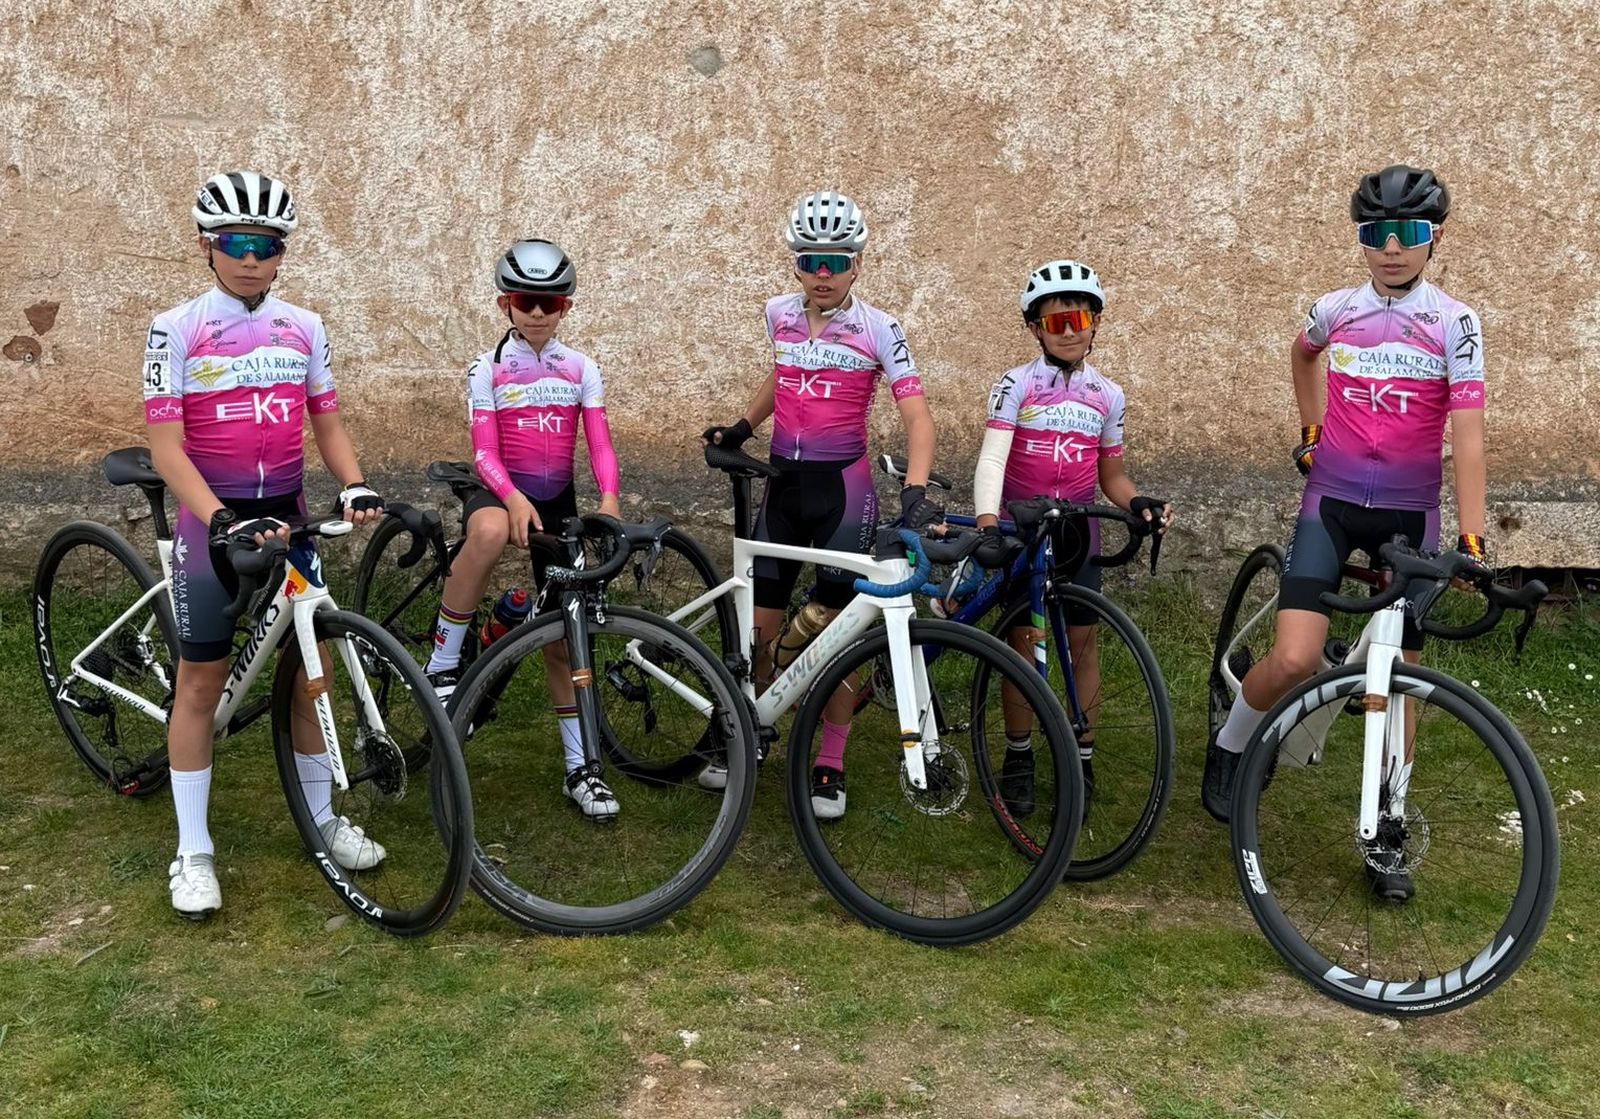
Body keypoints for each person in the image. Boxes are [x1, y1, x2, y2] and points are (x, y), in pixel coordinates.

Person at [1202, 164, 1488, 901]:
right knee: (1295, 659)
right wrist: (1310, 429)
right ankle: (1232, 743)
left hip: (1410, 513)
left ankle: (1387, 827)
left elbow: (1470, 432)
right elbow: (1303, 354)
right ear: (1362, 239)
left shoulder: (1455, 322)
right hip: (1330, 501)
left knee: (1399, 687)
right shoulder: (1335, 308)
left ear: (1434, 239)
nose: (1392, 249)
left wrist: (1475, 535)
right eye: (1376, 235)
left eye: (1409, 234)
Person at [144, 171, 386, 918]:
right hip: (209, 521)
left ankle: (322, 818)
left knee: (307, 672)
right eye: (236, 244)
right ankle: (193, 851)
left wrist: (352, 483)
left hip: (285, 514)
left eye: (267, 245)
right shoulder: (174, 327)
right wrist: (216, 517)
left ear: (282, 253)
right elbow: (164, 446)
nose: (251, 258)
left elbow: (329, 423)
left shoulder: (305, 326)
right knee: (200, 682)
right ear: (207, 248)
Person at [703, 190, 941, 817]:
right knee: (760, 631)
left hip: (844, 493)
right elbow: (779, 377)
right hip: (782, 491)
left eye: (838, 260)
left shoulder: (880, 327)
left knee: (840, 635)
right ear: (795, 264)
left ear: (858, 262)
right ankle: (751, 734)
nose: (824, 274)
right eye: (812, 260)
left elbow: (918, 418)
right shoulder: (777, 313)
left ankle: (829, 761)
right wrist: (743, 426)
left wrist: (914, 490)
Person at [421, 239, 624, 820]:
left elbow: (601, 443)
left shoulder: (581, 368)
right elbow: (483, 450)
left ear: (565, 307)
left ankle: (580, 769)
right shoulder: (485, 369)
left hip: (558, 498)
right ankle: (443, 660)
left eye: (550, 303)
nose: (537, 312)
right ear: (504, 305)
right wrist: (509, 497)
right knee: (486, 532)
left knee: (565, 638)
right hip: (498, 484)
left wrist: (608, 499)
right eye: (524, 300)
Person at [972, 260, 1172, 820]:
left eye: (1078, 318)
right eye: (1053, 320)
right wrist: (988, 522)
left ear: (1096, 323)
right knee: (1025, 647)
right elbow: (993, 457)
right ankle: (1018, 757)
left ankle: (1081, 757)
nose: (1067, 330)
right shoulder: (1016, 383)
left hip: (1078, 532)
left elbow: (1112, 475)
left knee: (1082, 648)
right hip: (1023, 530)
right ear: (1034, 327)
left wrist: (1136, 503)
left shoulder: (1108, 395)